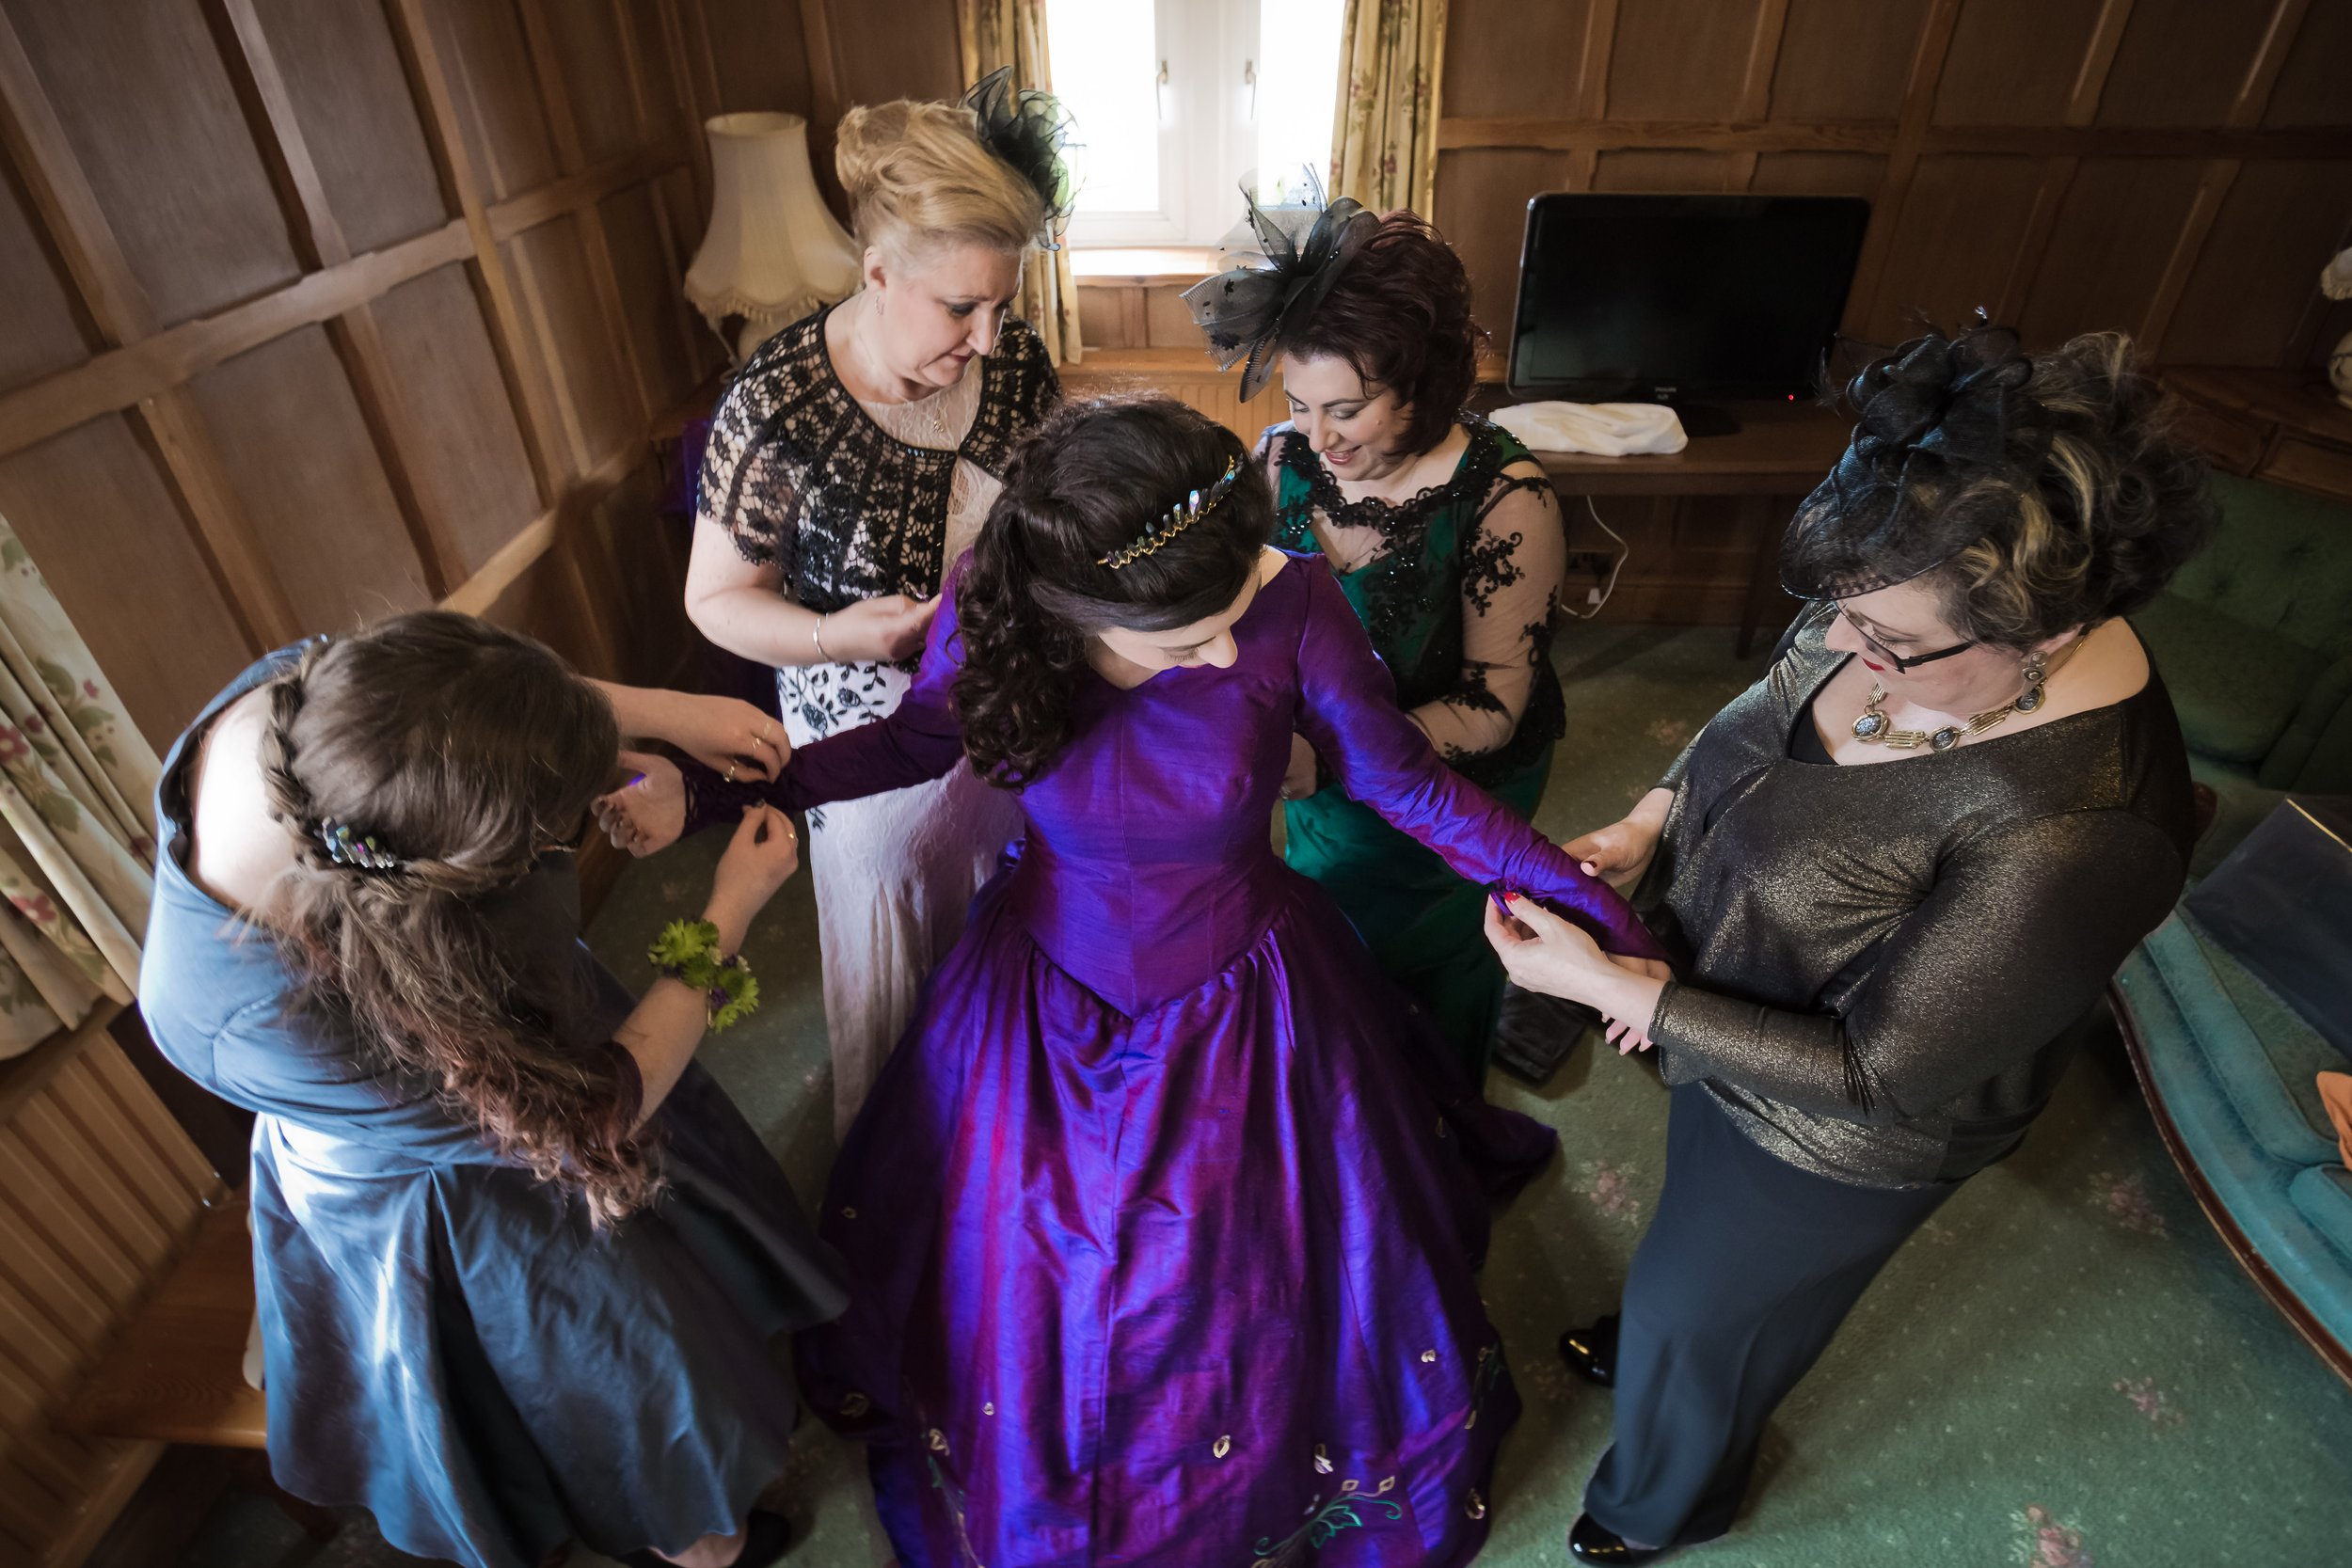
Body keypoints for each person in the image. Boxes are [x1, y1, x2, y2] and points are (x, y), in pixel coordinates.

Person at [606, 397, 1671, 1568]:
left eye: (1226, 626)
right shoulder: (999, 590)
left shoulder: (1292, 599)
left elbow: (1407, 786)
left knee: (1247, 1268)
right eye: (1183, 643)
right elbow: (918, 741)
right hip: (1041, 970)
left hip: (1246, 980)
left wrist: (1604, 920)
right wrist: (708, 796)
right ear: (1076, 610)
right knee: (1025, 1255)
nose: (1220, 653)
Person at [1481, 323, 2213, 1564]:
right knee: (1695, 1270)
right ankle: (1676, 1336)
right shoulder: (1900, 590)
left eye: (1888, 642)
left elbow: (1881, 1072)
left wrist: (1629, 996)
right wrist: (1654, 815)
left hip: (1843, 1134)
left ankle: (1667, 1498)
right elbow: (1764, 704)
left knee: (1716, 1308)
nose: (1844, 644)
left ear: (2039, 635)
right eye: (1837, 610)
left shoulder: (2083, 827)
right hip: (1729, 1001)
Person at [138, 612, 846, 1568]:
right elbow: (596, 1112)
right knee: (625, 1384)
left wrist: (661, 724)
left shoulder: (319, 707)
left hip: (483, 1057)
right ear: (458, 883)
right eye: (542, 835)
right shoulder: (286, 1022)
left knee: (682, 1286)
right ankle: (692, 1537)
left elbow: (477, 703)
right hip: (465, 1193)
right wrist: (726, 914)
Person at [684, 69, 1067, 1135]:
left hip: (1000, 704)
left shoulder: (1018, 363)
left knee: (1017, 925)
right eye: (960, 306)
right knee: (897, 963)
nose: (990, 337)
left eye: (1004, 304)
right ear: (877, 268)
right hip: (863, 733)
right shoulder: (777, 406)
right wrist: (829, 633)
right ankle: (908, 1160)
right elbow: (716, 602)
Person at [1188, 186, 1581, 1088]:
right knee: (1328, 967)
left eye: (1348, 409)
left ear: (1424, 383)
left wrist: (1324, 755)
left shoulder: (1507, 500)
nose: (1318, 436)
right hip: (1315, 777)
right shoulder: (1283, 458)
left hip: (1445, 794)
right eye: (1299, 403)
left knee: (1426, 985)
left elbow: (1494, 702)